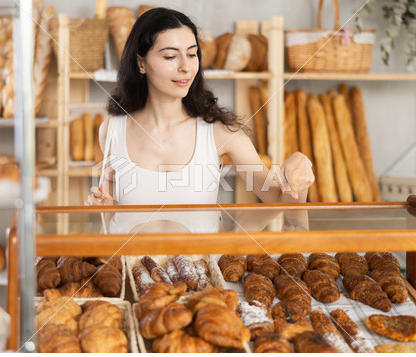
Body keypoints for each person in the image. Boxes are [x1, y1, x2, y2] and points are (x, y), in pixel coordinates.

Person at [85, 7, 314, 207]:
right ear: (141, 63)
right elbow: (113, 213)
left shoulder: (220, 133)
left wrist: (298, 175)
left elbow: (279, 201)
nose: (186, 67)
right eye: (170, 56)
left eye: (192, 54)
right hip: (131, 258)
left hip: (199, 259)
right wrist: (101, 207)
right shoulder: (111, 130)